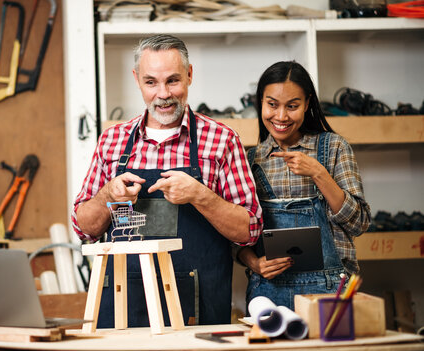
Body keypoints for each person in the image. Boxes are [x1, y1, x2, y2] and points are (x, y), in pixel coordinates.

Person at [72, 34, 263, 327]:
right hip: (124, 307)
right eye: (151, 82)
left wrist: (201, 196)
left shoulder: (222, 140)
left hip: (199, 309)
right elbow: (83, 229)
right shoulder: (112, 141)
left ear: (189, 75)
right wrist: (107, 196)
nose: (163, 94)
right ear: (137, 79)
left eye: (173, 80)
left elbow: (249, 231)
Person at [234, 61, 371, 310]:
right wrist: (254, 263)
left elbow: (359, 223)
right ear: (260, 103)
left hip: (330, 291)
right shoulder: (249, 160)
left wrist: (318, 173)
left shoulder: (334, 148)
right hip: (268, 291)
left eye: (293, 106)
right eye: (272, 104)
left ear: (307, 104)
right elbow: (238, 238)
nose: (281, 116)